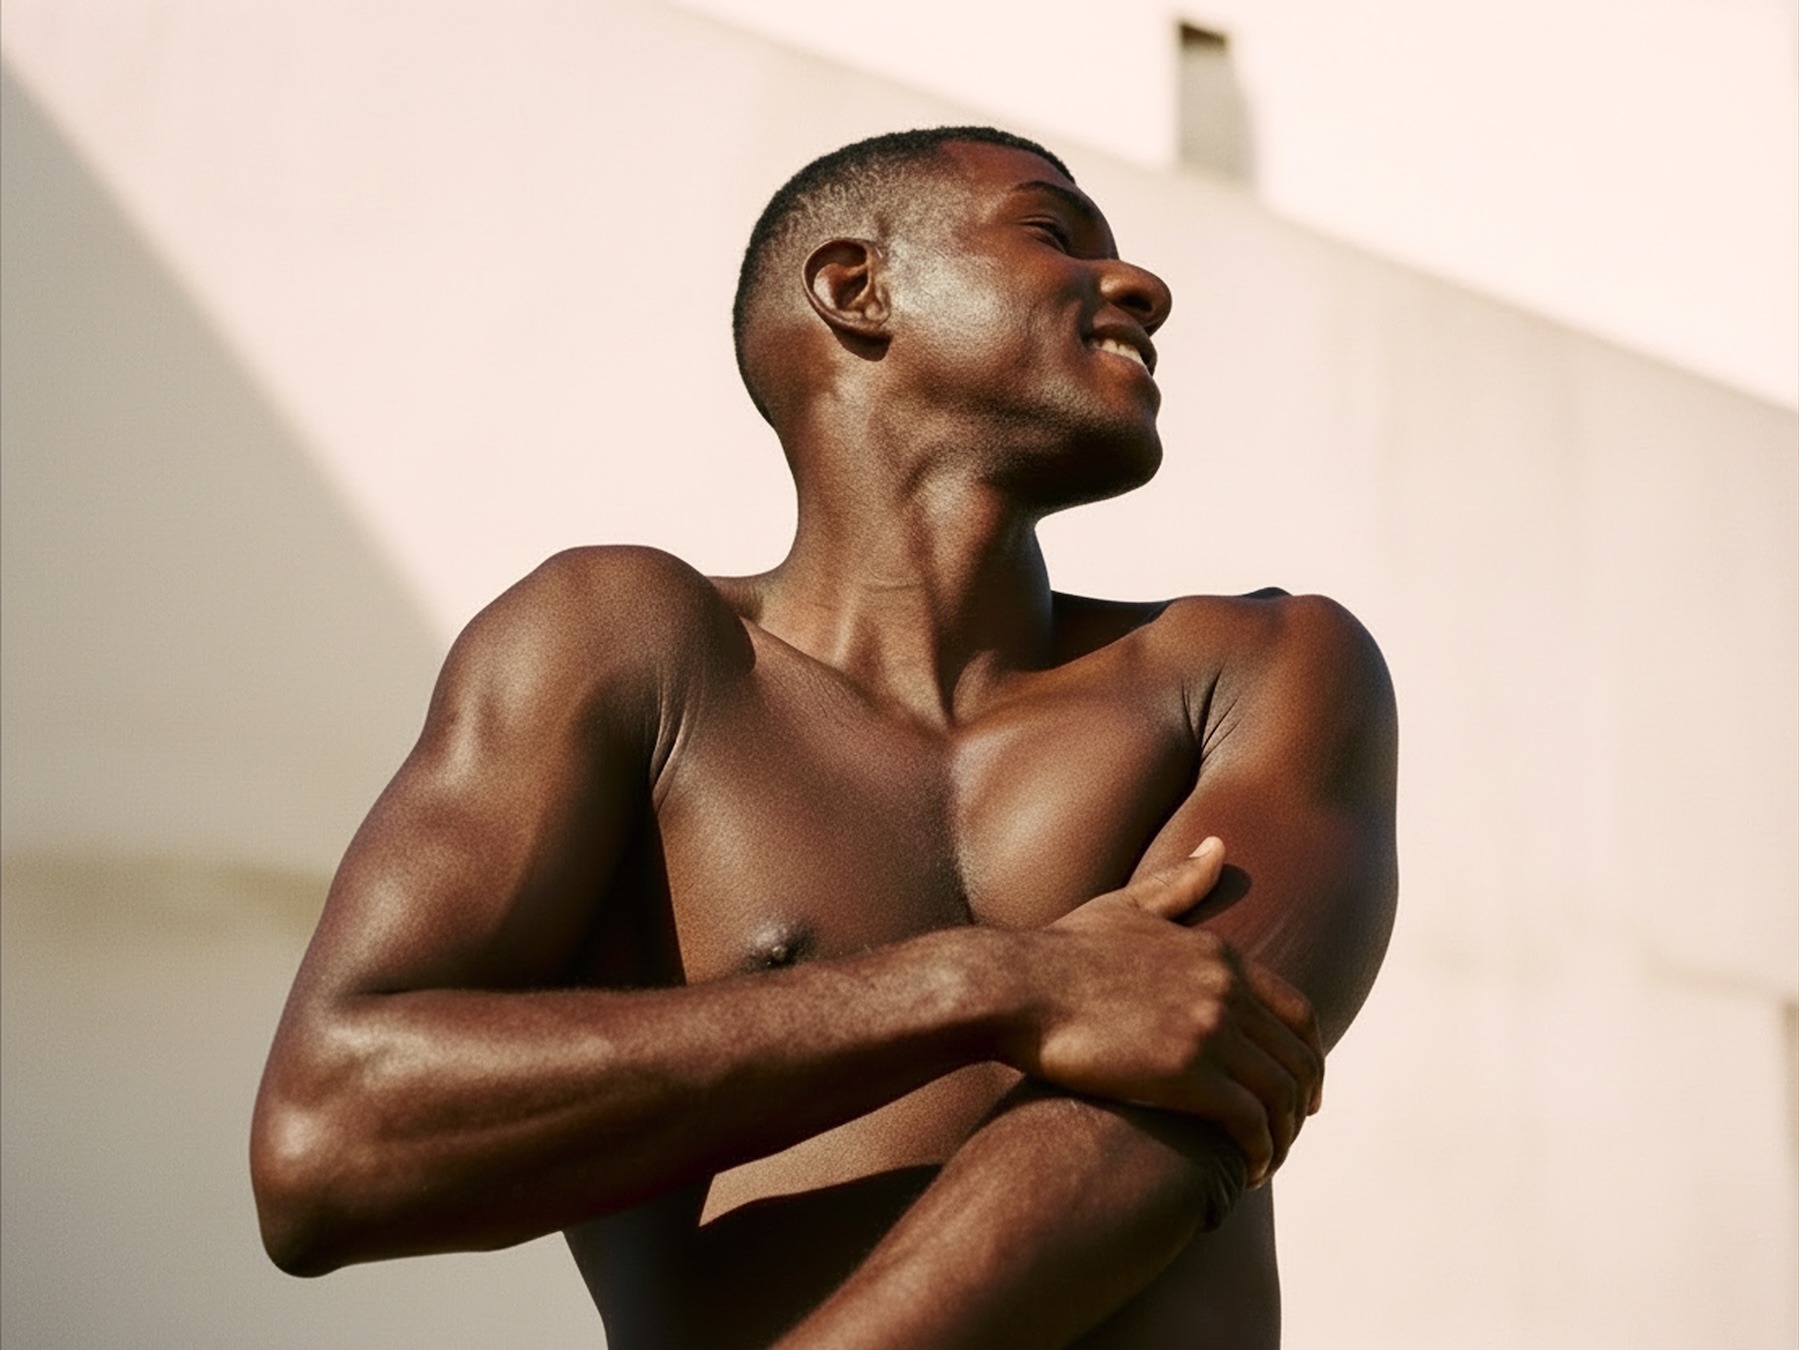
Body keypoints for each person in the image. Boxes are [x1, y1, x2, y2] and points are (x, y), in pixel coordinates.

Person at [251, 126, 1397, 1349]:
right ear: (857, 289)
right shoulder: (622, 645)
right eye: (1055, 236)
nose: (1142, 286)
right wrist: (989, 981)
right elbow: (327, 1142)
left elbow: (1194, 1074)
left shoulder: (1264, 668)